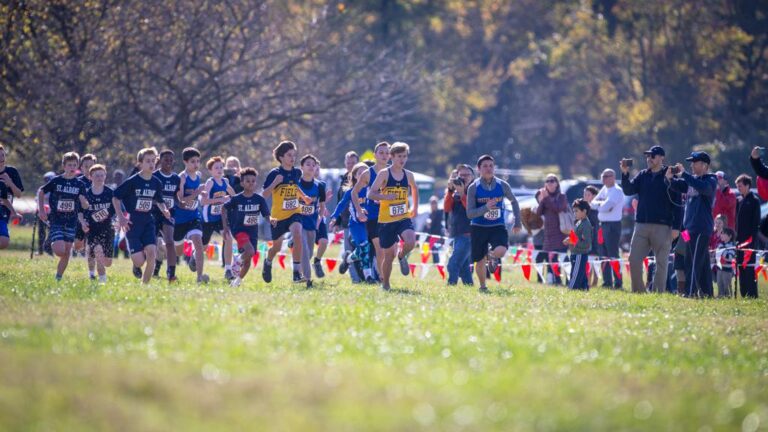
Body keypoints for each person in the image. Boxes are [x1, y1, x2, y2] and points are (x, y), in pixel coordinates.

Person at [621, 146, 687, 293]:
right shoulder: (642, 175)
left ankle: (658, 293)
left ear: (661, 157)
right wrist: (625, 173)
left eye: (653, 156)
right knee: (634, 259)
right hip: (641, 225)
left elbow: (678, 204)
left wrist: (677, 227)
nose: (649, 158)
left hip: (663, 227)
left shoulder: (670, 176)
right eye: (648, 156)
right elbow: (628, 190)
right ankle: (638, 292)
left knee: (661, 263)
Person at [114, 147, 172, 285]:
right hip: (133, 223)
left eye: (153, 161)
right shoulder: (133, 181)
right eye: (147, 161)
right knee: (139, 261)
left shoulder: (156, 182)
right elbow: (116, 197)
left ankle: (144, 285)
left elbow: (159, 200)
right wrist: (121, 217)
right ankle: (136, 264)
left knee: (152, 252)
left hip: (148, 221)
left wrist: (164, 209)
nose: (151, 164)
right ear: (140, 163)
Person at [465, 154, 522, 293]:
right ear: (479, 169)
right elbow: (470, 213)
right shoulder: (474, 187)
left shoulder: (503, 185)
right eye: (485, 166)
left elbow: (514, 201)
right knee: (478, 260)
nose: (489, 168)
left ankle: (492, 255)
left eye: (491, 166)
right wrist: (485, 208)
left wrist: (517, 221)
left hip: (497, 225)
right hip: (478, 226)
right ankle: (483, 286)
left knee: (501, 251)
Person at [367, 142, 419, 291]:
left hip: (403, 217)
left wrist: (414, 207)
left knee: (411, 241)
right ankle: (386, 284)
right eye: (399, 156)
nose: (402, 160)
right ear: (392, 157)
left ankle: (402, 256)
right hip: (386, 221)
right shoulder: (384, 174)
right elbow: (371, 193)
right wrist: (385, 196)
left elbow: (415, 189)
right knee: (388, 255)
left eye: (404, 156)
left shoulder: (408, 175)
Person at [261, 141, 312, 284]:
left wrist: (304, 197)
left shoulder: (297, 172)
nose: (292, 158)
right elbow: (263, 195)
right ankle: (268, 260)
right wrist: (274, 183)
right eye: (289, 155)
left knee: (297, 232)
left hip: (294, 212)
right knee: (276, 247)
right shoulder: (274, 174)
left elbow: (295, 187)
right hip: (278, 217)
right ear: (281, 157)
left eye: (294, 155)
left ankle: (296, 272)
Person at [672, 151, 718, 298]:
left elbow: (703, 188)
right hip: (688, 230)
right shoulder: (692, 180)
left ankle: (690, 292)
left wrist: (685, 175)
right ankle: (707, 293)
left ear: (704, 165)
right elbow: (678, 186)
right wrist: (668, 179)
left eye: (694, 162)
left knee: (692, 262)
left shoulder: (711, 180)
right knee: (702, 263)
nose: (691, 165)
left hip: (700, 228)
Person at [37, 152, 90, 281]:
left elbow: (85, 205)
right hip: (56, 220)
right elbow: (41, 191)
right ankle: (51, 240)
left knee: (66, 253)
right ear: (64, 166)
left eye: (74, 165)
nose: (72, 167)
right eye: (69, 165)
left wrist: (84, 202)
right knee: (60, 251)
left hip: (71, 221)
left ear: (77, 166)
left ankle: (58, 277)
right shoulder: (56, 181)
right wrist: (42, 210)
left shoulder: (80, 184)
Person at [222, 167, 270, 287]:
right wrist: (226, 226)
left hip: (253, 232)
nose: (251, 183)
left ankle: (236, 282)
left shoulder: (259, 199)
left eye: (253, 181)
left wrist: (272, 220)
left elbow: (266, 215)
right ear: (242, 183)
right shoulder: (237, 199)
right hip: (239, 230)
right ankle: (237, 259)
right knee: (250, 251)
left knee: (248, 261)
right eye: (248, 181)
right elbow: (223, 208)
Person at [329, 162, 376, 283]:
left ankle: (348, 258)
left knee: (365, 249)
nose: (364, 175)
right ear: (355, 176)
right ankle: (368, 276)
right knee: (365, 247)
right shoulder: (350, 192)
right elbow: (341, 205)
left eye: (366, 172)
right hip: (356, 224)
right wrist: (334, 217)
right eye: (360, 173)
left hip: (370, 223)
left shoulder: (371, 189)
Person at [352, 142, 391, 280]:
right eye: (381, 152)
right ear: (375, 155)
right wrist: (359, 211)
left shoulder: (393, 172)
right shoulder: (368, 173)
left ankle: (400, 258)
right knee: (380, 249)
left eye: (387, 153)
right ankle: (382, 278)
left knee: (390, 249)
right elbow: (354, 193)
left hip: (390, 216)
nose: (384, 156)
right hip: (373, 217)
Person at [174, 147, 209, 283]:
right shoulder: (181, 178)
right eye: (192, 162)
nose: (196, 164)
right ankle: (160, 251)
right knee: (178, 252)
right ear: (185, 162)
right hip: (179, 220)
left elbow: (197, 194)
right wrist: (197, 192)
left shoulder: (198, 175)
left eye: (197, 161)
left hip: (193, 217)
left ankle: (199, 277)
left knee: (199, 244)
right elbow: (181, 200)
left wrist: (202, 194)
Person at [201, 156, 237, 280]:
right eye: (216, 168)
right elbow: (203, 202)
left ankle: (228, 270)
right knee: (204, 247)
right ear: (210, 170)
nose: (219, 170)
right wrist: (220, 199)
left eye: (221, 167)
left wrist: (239, 201)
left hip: (219, 219)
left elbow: (234, 195)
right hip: (208, 219)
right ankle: (195, 257)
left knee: (228, 238)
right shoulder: (210, 182)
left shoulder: (225, 182)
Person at [79, 164, 115, 283]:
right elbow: (80, 211)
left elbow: (119, 209)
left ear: (105, 176)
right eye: (96, 175)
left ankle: (91, 254)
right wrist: (83, 222)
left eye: (102, 175)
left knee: (107, 262)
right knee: (98, 252)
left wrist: (118, 221)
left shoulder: (110, 193)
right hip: (92, 229)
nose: (99, 178)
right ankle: (101, 281)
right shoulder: (87, 194)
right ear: (90, 177)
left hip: (108, 229)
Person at [296, 154, 327, 288]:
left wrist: (319, 219)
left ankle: (299, 272)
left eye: (313, 165)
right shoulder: (296, 184)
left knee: (308, 252)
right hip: (298, 222)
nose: (311, 167)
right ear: (302, 167)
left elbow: (322, 206)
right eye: (308, 164)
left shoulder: (320, 186)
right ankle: (308, 280)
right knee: (304, 249)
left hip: (312, 223)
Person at [590, 169, 624, 289]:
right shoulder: (604, 189)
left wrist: (601, 204)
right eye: (602, 176)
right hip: (602, 225)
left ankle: (618, 282)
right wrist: (602, 204)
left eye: (606, 176)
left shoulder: (616, 191)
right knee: (603, 254)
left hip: (613, 225)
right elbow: (592, 203)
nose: (603, 179)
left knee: (613, 254)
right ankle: (607, 281)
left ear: (613, 177)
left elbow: (607, 206)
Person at [444, 164, 475, 286]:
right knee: (464, 267)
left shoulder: (475, 190)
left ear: (473, 177)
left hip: (469, 234)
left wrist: (462, 193)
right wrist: (450, 190)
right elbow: (447, 208)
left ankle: (451, 285)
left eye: (467, 175)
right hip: (457, 233)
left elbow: (471, 210)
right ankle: (469, 286)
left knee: (453, 263)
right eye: (461, 175)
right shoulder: (455, 191)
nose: (463, 177)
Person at [152, 149, 181, 282]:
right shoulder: (154, 176)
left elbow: (175, 196)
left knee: (169, 242)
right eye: (165, 159)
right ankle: (145, 267)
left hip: (169, 214)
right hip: (153, 213)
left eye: (170, 159)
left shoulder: (176, 178)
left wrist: (182, 203)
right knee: (151, 244)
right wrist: (159, 204)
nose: (168, 162)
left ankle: (171, 273)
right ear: (160, 160)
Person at [536, 174, 569, 285]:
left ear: (557, 183)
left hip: (561, 232)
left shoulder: (562, 196)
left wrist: (546, 199)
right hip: (549, 233)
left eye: (552, 181)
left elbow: (558, 208)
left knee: (563, 258)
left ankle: (569, 279)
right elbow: (539, 212)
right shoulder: (545, 197)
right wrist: (542, 200)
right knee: (552, 258)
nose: (549, 183)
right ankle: (555, 280)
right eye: (547, 181)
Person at [337, 151, 362, 282]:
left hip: (362, 221)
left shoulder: (364, 178)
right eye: (348, 163)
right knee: (349, 249)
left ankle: (367, 275)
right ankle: (355, 279)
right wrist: (337, 221)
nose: (350, 165)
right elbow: (340, 201)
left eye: (353, 163)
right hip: (347, 222)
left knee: (362, 249)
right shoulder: (343, 179)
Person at [735, 173, 760, 298]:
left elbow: (756, 223)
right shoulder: (739, 201)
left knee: (749, 268)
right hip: (739, 242)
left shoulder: (754, 201)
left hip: (749, 242)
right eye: (737, 186)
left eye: (740, 186)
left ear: (747, 185)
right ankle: (744, 294)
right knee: (741, 268)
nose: (738, 189)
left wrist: (752, 241)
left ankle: (752, 295)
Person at [564, 199, 592, 290]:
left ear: (584, 211)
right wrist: (569, 239)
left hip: (580, 254)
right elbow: (575, 237)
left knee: (575, 275)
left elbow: (587, 244)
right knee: (581, 275)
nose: (574, 213)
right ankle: (584, 289)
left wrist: (573, 241)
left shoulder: (586, 225)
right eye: (574, 211)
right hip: (575, 253)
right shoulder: (579, 222)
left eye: (576, 211)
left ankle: (571, 289)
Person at [0, 144, 24, 249]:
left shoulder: (12, 172)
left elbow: (18, 194)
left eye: (3, 155)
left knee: (4, 242)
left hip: (4, 210)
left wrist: (9, 182)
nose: (1, 158)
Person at [74, 154, 97, 268]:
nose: (88, 169)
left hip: (94, 218)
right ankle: (80, 247)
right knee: (78, 246)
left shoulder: (99, 181)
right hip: (79, 217)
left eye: (91, 166)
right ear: (81, 168)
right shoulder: (77, 182)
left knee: (91, 245)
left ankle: (91, 273)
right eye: (86, 166)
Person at [312, 161, 330, 278]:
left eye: (318, 169)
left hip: (319, 218)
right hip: (306, 218)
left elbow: (320, 203)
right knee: (306, 248)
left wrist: (325, 204)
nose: (316, 171)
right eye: (314, 168)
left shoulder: (321, 185)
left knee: (323, 241)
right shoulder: (300, 184)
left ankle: (317, 261)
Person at [582, 185, 600, 286]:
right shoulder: (583, 208)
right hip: (585, 239)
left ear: (594, 196)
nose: (585, 196)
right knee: (587, 260)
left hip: (595, 238)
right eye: (584, 194)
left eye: (588, 195)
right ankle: (587, 281)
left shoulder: (597, 208)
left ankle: (595, 281)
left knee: (594, 260)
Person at [715, 227, 736, 298]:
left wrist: (722, 252)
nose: (721, 235)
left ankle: (728, 296)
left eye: (724, 234)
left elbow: (730, 257)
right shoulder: (720, 245)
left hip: (727, 269)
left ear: (730, 236)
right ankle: (720, 296)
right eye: (721, 233)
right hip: (719, 268)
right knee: (719, 283)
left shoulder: (732, 246)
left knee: (726, 284)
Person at [426, 195, 445, 263]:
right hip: (431, 235)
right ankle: (436, 264)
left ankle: (438, 263)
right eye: (432, 203)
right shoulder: (430, 213)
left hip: (438, 235)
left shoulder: (440, 212)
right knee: (433, 250)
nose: (433, 204)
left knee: (437, 249)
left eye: (434, 203)